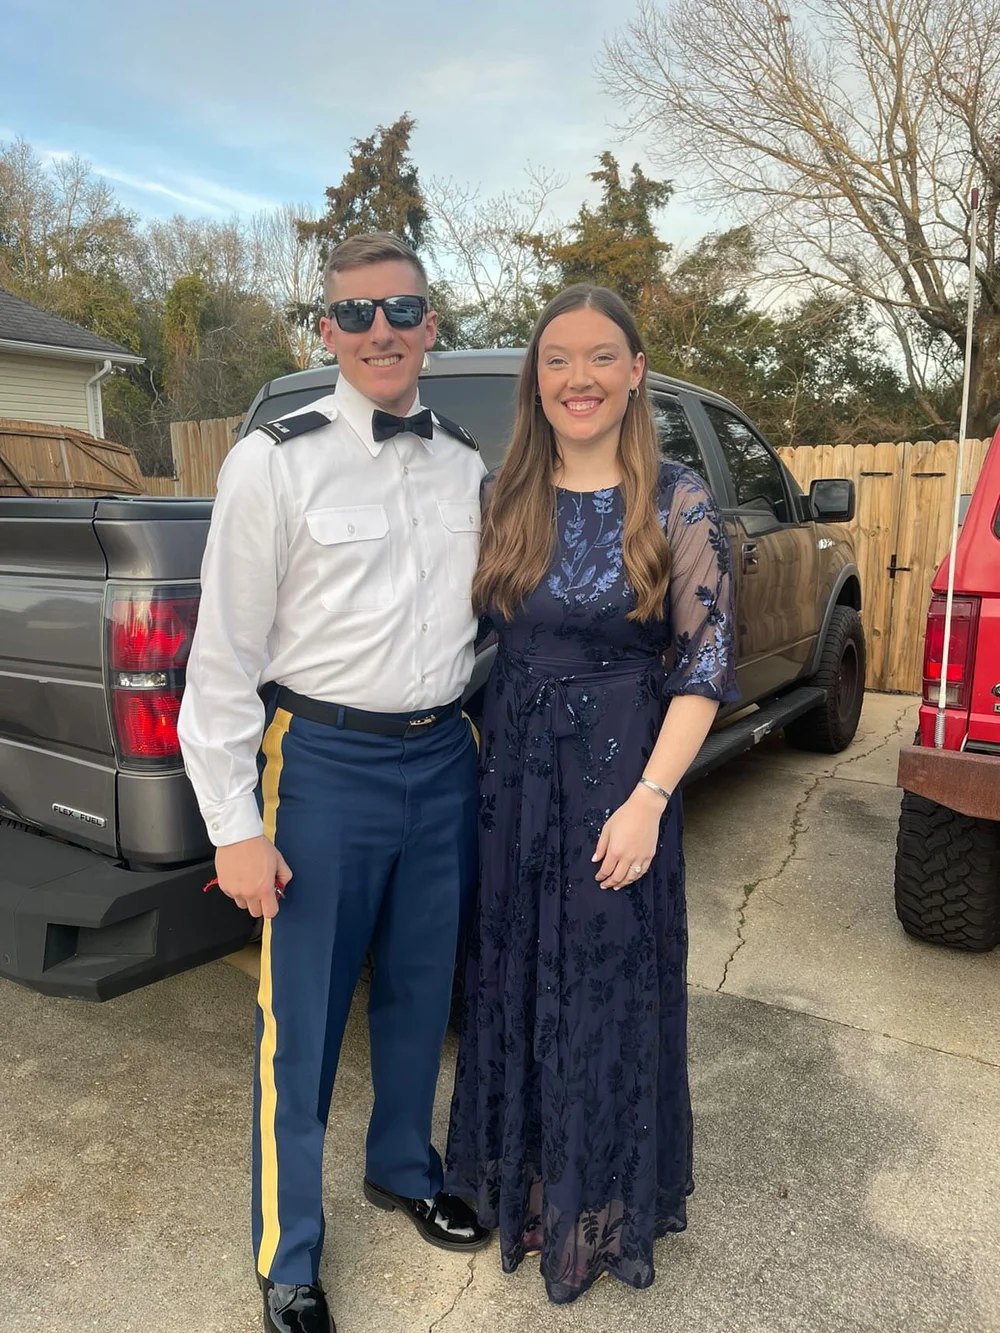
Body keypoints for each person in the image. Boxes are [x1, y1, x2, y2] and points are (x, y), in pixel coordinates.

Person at [177, 232, 491, 1333]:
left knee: (418, 990)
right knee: (300, 1019)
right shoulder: (275, 457)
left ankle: (403, 1168)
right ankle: (288, 1251)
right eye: (354, 314)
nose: (379, 333)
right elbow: (221, 658)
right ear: (325, 329)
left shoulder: (463, 462)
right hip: (322, 763)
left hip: (443, 754)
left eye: (400, 311)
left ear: (430, 325)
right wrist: (232, 827)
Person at [444, 284, 739, 1304]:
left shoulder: (676, 500)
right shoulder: (501, 495)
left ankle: (598, 1201)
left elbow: (702, 666)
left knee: (607, 990)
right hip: (513, 787)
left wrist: (650, 799)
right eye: (559, 358)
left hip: (621, 780)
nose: (579, 378)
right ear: (537, 376)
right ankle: (522, 1184)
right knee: (516, 980)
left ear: (635, 372)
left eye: (601, 356)